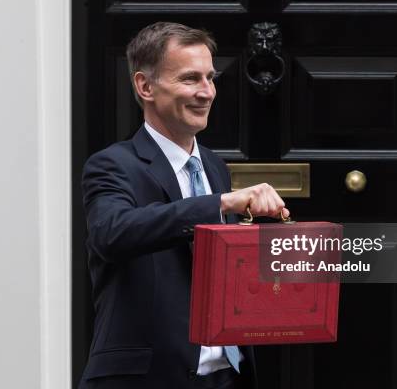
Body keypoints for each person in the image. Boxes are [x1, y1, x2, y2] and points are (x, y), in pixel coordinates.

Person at [79, 22, 289, 389]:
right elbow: (111, 233)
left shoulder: (214, 167)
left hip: (229, 377)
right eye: (191, 79)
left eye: (210, 78)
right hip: (149, 378)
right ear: (145, 86)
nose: (206, 92)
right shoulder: (112, 165)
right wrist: (220, 203)